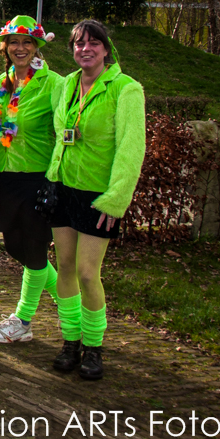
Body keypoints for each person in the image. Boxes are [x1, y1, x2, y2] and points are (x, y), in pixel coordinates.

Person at [46, 20, 145, 380]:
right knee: (65, 267)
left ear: (106, 48)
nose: (85, 49)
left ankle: (94, 346)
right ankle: (70, 341)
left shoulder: (125, 89)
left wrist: (115, 199)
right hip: (63, 187)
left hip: (98, 195)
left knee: (88, 274)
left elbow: (131, 148)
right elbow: (61, 133)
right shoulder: (67, 85)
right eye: (78, 44)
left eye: (93, 43)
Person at [0, 16, 64, 344]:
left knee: (34, 248)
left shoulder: (53, 83)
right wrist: (0, 128)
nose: (20, 48)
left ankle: (23, 320)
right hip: (9, 176)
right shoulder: (4, 83)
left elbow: (63, 131)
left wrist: (56, 178)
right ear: (5, 48)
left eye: (27, 42)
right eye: (14, 43)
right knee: (16, 246)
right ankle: (69, 300)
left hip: (39, 176)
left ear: (36, 47)